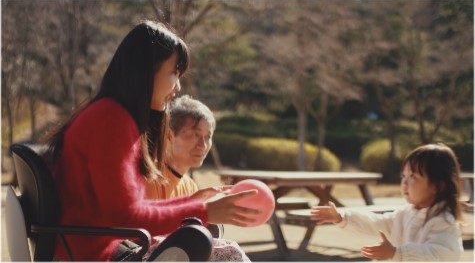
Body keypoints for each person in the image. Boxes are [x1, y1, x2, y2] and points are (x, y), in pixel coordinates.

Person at [45, 20, 259, 261]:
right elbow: (126, 216)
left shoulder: (110, 114)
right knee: (227, 253)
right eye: (174, 73)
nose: (177, 87)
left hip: (102, 250)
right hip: (100, 256)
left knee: (220, 247)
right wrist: (204, 211)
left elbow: (129, 210)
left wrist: (191, 202)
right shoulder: (111, 121)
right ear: (146, 71)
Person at [311, 143, 464, 261]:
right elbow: (375, 223)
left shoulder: (443, 221)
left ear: (436, 186)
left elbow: (440, 256)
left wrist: (397, 253)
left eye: (413, 177)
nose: (405, 182)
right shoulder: (405, 214)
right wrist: (342, 217)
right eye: (403, 176)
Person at [145, 94, 251, 261]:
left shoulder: (190, 185)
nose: (203, 144)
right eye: (195, 135)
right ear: (169, 135)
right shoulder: (149, 177)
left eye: (208, 137)